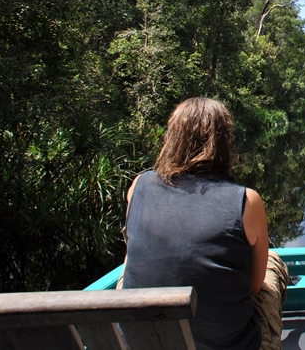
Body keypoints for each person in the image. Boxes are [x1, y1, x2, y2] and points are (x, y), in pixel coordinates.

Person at [122, 98, 288, 350]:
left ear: (172, 138)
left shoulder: (137, 187)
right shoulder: (247, 201)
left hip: (146, 341)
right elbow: (254, 286)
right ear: (223, 142)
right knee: (273, 263)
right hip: (226, 345)